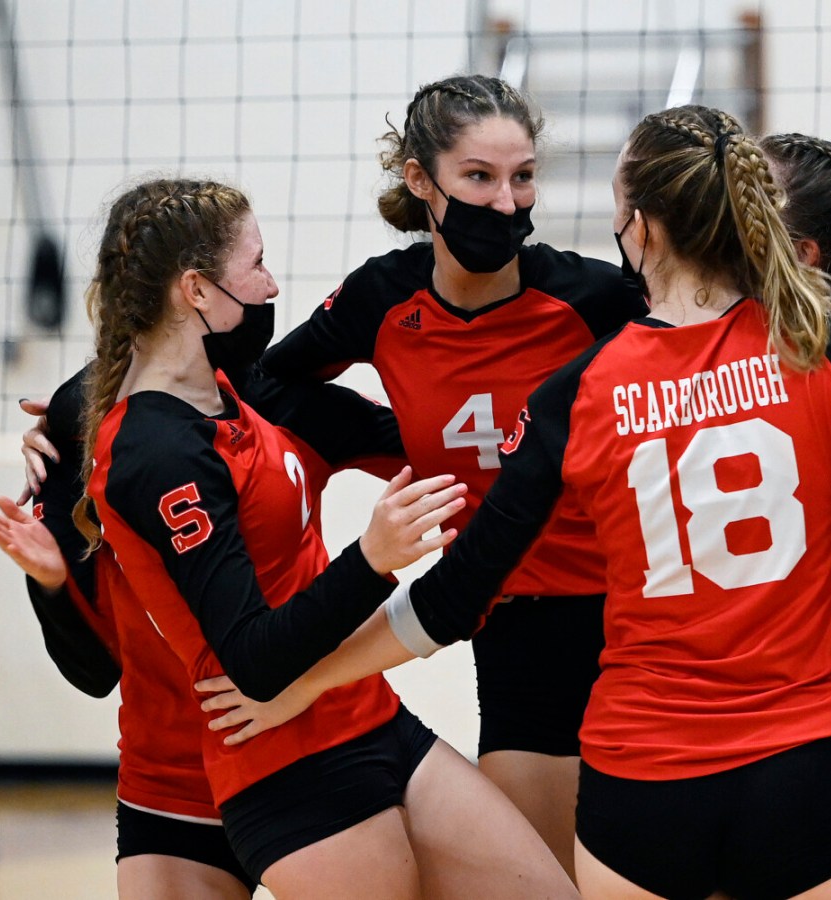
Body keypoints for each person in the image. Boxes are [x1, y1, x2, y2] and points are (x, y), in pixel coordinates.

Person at [203, 106, 831, 900]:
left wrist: (303, 682)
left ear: (639, 228)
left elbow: (452, 598)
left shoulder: (578, 390)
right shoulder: (823, 347)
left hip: (643, 783)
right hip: (805, 768)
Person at [68, 176, 576, 899]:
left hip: (371, 719)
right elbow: (253, 660)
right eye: (256, 264)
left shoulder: (232, 393)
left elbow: (396, 435)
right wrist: (371, 559)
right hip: (287, 766)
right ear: (196, 291)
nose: (272, 284)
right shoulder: (157, 454)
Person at [257, 73, 647, 878]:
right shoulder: (383, 298)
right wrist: (395, 444)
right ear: (420, 180)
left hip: (631, 620)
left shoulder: (594, 299)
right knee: (540, 884)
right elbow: (264, 384)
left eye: (523, 176)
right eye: (479, 177)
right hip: (507, 628)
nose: (507, 203)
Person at [0, 342, 414, 898]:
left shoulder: (273, 406)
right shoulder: (88, 446)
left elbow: (447, 456)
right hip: (172, 782)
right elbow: (92, 670)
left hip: (311, 747)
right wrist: (52, 584)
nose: (268, 295)